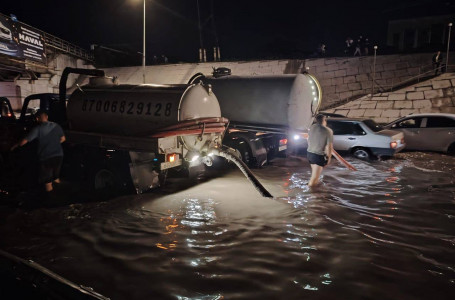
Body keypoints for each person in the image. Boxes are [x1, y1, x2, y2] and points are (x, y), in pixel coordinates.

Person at [11, 110, 66, 192]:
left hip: (47, 157)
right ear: (47, 117)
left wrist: (15, 146)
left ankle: (52, 198)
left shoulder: (38, 129)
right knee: (56, 177)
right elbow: (63, 139)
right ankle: (62, 192)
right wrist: (54, 144)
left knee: (47, 181)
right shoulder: (56, 126)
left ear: (37, 119)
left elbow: (23, 142)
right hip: (59, 156)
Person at [307, 114, 333, 187]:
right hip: (318, 156)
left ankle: (315, 189)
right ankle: (310, 194)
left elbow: (308, 140)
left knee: (314, 175)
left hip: (309, 154)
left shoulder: (311, 127)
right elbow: (329, 146)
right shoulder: (328, 131)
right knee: (314, 178)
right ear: (324, 120)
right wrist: (329, 158)